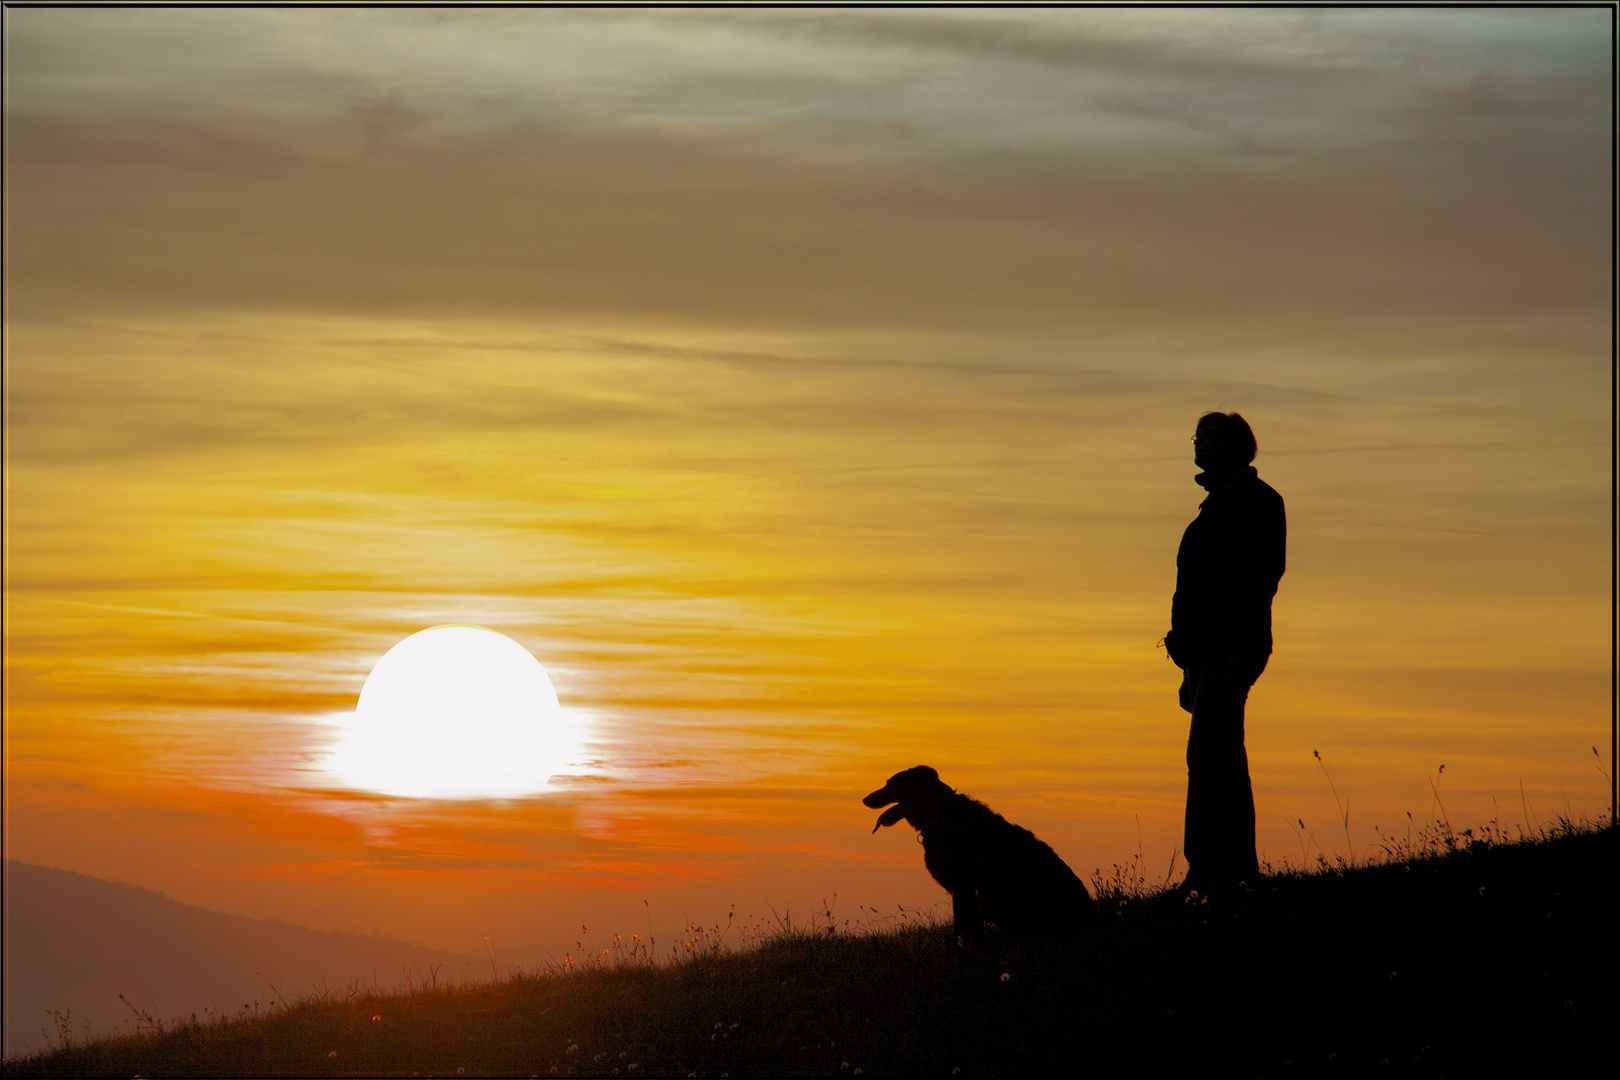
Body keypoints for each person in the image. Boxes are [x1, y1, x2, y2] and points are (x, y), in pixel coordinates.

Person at [1164, 412, 1285, 895]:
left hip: (1230, 648)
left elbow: (1258, 581)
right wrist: (1187, 653)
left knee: (1208, 752)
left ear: (1234, 446)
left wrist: (1232, 650)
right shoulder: (1216, 505)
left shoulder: (1256, 502)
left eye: (1207, 437)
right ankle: (1232, 868)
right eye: (1196, 435)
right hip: (1207, 652)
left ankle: (1209, 868)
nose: (1198, 444)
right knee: (1222, 754)